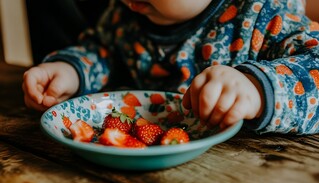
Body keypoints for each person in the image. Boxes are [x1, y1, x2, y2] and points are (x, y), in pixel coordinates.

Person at [22, 0, 319, 135]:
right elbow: (103, 50)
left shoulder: (265, 14)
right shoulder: (122, 14)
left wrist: (257, 89)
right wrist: (69, 71)